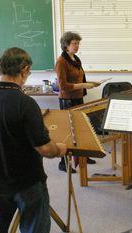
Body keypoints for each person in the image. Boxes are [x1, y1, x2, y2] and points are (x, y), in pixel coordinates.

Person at [0, 47, 67, 233]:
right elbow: (45, 149)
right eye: (28, 73)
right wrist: (59, 150)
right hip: (27, 182)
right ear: (24, 70)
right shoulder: (26, 104)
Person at [55, 31, 100, 172]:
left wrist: (92, 83)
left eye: (78, 43)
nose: (77, 46)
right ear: (66, 45)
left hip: (78, 97)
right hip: (67, 99)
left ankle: (82, 157)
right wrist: (84, 85)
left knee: (81, 129)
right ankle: (63, 163)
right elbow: (63, 86)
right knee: (68, 131)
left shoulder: (75, 59)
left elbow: (80, 79)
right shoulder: (61, 61)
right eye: (74, 43)